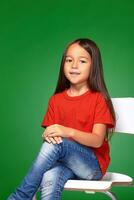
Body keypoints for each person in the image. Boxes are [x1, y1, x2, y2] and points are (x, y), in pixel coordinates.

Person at [8, 38, 116, 200]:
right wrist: (49, 135)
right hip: (65, 164)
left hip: (92, 168)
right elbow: (53, 139)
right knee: (50, 176)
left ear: (93, 66)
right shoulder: (55, 100)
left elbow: (97, 141)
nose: (74, 66)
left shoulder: (98, 99)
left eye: (82, 61)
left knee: (58, 144)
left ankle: (21, 196)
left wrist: (67, 131)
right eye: (69, 60)